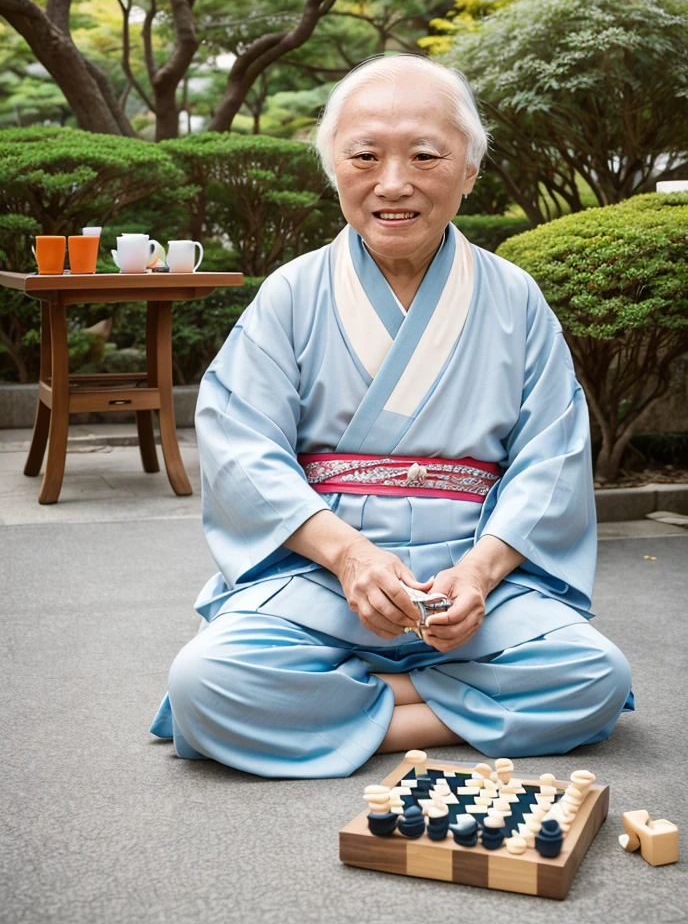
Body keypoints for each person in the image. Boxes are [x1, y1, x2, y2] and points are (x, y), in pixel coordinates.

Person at [150, 54, 633, 778]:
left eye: (426, 156)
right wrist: (350, 556)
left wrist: (479, 572)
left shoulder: (515, 298)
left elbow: (551, 457)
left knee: (597, 675)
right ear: (334, 169)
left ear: (469, 170)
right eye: (366, 156)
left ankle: (355, 706)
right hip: (321, 577)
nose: (394, 183)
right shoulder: (291, 293)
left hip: (473, 588)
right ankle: (454, 709)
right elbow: (241, 448)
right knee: (204, 685)